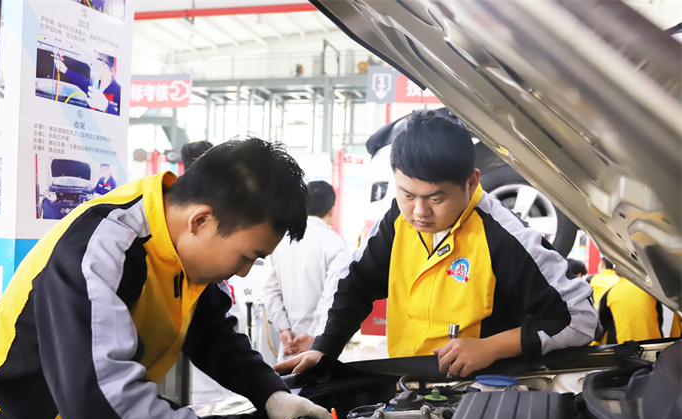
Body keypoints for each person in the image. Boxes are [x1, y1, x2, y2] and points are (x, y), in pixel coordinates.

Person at [0, 138, 333, 419]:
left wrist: (272, 395)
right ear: (201, 221)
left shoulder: (180, 247)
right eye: (247, 256)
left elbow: (212, 334)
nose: (245, 272)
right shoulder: (102, 248)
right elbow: (97, 398)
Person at [275, 110, 597, 378]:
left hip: (481, 393)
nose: (419, 212)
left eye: (435, 198)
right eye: (407, 194)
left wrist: (490, 347)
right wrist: (323, 349)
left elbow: (579, 318)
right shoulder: (397, 221)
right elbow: (354, 284)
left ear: (471, 182)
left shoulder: (505, 237)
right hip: (407, 385)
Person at [263, 181, 350, 360]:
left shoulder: (281, 240)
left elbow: (269, 289)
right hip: (321, 347)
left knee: (287, 378)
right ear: (332, 210)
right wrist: (312, 334)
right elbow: (333, 294)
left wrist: (283, 329)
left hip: (289, 346)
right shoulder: (335, 244)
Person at [590, 257, 663, 344]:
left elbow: (600, 330)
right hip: (654, 346)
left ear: (616, 272)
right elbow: (659, 320)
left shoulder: (609, 294)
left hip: (624, 348)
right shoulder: (650, 292)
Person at [55, 51, 121, 115]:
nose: (94, 64)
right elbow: (78, 79)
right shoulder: (93, 85)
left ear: (103, 64)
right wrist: (64, 69)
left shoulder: (119, 92)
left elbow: (120, 120)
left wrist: (105, 107)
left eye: (95, 61)